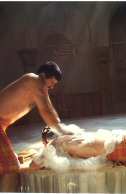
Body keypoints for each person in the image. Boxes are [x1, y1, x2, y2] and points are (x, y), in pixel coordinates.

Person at [0, 61, 74, 192]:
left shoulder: (41, 87)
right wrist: (62, 130)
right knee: (12, 168)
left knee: (9, 165)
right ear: (43, 75)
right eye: (52, 82)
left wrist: (64, 129)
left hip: (2, 126)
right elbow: (44, 111)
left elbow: (50, 110)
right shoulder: (33, 79)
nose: (52, 87)